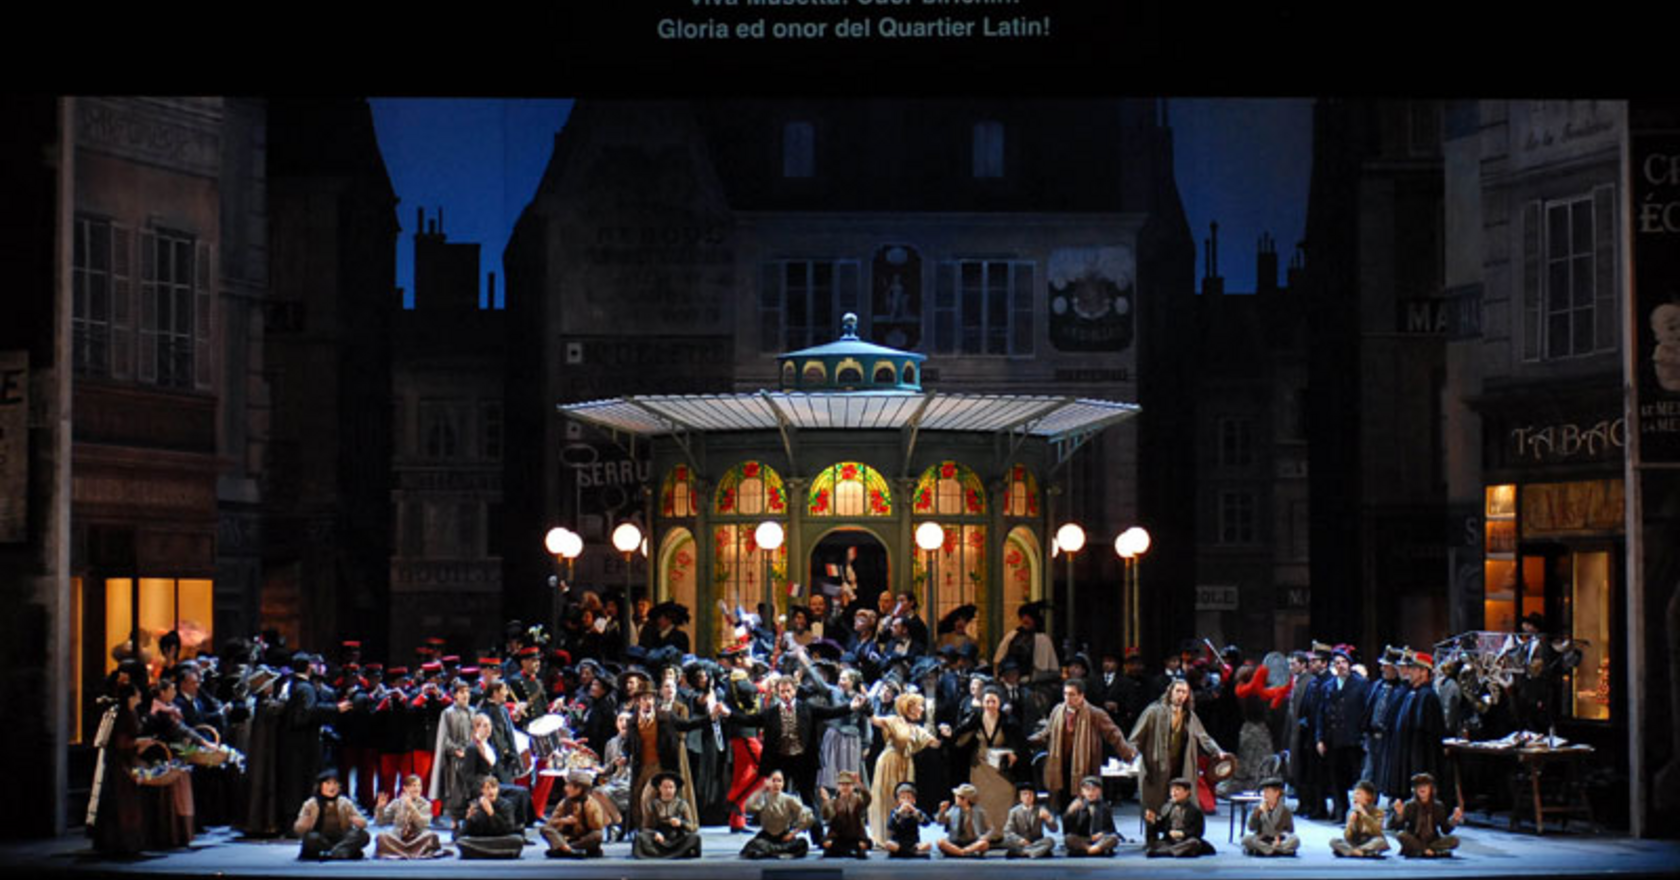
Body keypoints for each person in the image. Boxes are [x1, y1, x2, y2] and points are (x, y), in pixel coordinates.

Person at [1030, 679, 1138, 811]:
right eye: (1065, 694)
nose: (1068, 698)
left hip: (1084, 765)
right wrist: (1029, 741)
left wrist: (1127, 753)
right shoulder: (1058, 711)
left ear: (1081, 695)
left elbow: (1113, 734)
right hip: (1061, 764)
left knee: (1083, 805)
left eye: (1072, 694)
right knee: (1063, 805)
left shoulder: (1095, 713)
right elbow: (1048, 731)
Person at [1128, 678, 1228, 816]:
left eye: (1184, 692)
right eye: (1178, 691)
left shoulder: (1189, 716)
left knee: (1181, 804)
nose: (1181, 695)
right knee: (1156, 804)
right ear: (1170, 692)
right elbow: (1137, 737)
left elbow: (1204, 738)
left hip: (1180, 765)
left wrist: (1217, 751)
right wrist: (1130, 752)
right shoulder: (1153, 712)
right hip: (1157, 765)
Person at [867, 692, 943, 846]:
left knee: (904, 797)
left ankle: (902, 837)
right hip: (889, 762)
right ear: (911, 708)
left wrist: (944, 733)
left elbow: (935, 743)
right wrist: (867, 708)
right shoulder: (894, 721)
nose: (922, 709)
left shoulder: (917, 729)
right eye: (919, 706)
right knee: (887, 797)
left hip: (906, 763)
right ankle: (884, 836)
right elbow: (875, 720)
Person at [950, 685, 1023, 832]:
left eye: (993, 701)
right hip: (980, 764)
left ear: (999, 703)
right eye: (987, 701)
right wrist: (952, 737)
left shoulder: (1008, 721)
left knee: (1004, 794)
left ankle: (1002, 831)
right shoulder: (975, 718)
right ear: (982, 703)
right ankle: (982, 831)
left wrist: (1013, 752)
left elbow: (1017, 743)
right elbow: (961, 737)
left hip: (1000, 765)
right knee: (981, 798)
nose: (990, 705)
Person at [87, 683, 147, 855]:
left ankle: (127, 842)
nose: (140, 696)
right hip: (120, 766)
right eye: (137, 694)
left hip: (126, 761)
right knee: (121, 805)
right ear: (130, 697)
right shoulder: (122, 715)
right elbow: (121, 742)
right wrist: (138, 742)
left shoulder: (131, 713)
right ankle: (120, 843)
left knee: (126, 805)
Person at [1316, 648, 1369, 821]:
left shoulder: (1360, 684)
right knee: (1336, 778)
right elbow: (1321, 714)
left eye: (1344, 662)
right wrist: (1320, 738)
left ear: (1349, 664)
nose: (1341, 666)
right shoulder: (1328, 686)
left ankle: (1359, 812)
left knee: (1355, 777)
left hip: (1353, 740)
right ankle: (1340, 810)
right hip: (1333, 739)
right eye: (1337, 663)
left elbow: (1366, 711)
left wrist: (1363, 735)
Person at [294, 769, 370, 861]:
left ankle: (336, 851)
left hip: (342, 838)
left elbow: (363, 822)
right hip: (321, 838)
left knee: (363, 835)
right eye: (328, 783)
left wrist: (359, 822)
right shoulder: (311, 803)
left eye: (335, 783)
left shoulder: (345, 802)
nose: (332, 787)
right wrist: (303, 824)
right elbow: (298, 829)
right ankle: (338, 851)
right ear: (320, 786)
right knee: (310, 838)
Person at [428, 680, 475, 825]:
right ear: (455, 695)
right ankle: (454, 822)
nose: (465, 695)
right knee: (455, 791)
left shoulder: (473, 711)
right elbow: (444, 738)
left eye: (467, 692)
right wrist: (455, 750)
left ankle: (469, 820)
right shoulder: (448, 713)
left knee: (470, 789)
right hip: (454, 758)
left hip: (470, 755)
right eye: (461, 692)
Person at [740, 769, 814, 859]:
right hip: (767, 837)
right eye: (773, 781)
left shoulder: (789, 799)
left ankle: (774, 852)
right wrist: (761, 788)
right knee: (754, 845)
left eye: (779, 781)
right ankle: (777, 852)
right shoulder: (764, 798)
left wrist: (793, 833)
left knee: (802, 843)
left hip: (784, 837)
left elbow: (807, 814)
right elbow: (749, 807)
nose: (776, 784)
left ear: (783, 783)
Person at [1388, 772, 1462, 858]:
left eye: (1425, 786)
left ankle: (1423, 850)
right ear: (1414, 790)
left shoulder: (1438, 806)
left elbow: (1445, 830)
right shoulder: (1409, 805)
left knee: (1454, 840)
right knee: (1401, 835)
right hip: (1415, 839)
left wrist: (1454, 819)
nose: (1422, 788)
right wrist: (1399, 814)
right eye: (1418, 786)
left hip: (1433, 840)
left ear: (1431, 789)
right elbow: (1394, 827)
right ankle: (1427, 850)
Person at [373, 774, 447, 859]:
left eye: (419, 785)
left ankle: (401, 853)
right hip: (398, 839)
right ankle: (412, 853)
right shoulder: (396, 803)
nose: (417, 789)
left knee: (432, 836)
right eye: (413, 786)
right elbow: (380, 822)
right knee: (381, 836)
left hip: (417, 839)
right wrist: (380, 808)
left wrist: (411, 807)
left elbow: (423, 824)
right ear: (405, 788)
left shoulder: (426, 804)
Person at [634, 770, 702, 859]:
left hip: (676, 839)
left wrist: (681, 823)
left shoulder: (683, 804)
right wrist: (654, 834)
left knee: (694, 838)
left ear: (675, 789)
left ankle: (679, 852)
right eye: (665, 787)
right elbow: (645, 827)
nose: (668, 790)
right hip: (659, 839)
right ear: (659, 788)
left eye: (671, 787)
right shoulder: (653, 805)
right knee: (640, 837)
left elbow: (693, 827)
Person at [454, 774, 524, 859]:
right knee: (462, 841)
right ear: (482, 791)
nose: (491, 791)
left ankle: (481, 852)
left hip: (500, 840)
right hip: (482, 840)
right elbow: (464, 834)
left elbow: (507, 830)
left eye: (493, 787)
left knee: (517, 840)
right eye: (487, 788)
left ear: (498, 789)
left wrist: (491, 813)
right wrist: (468, 820)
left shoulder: (506, 805)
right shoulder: (476, 805)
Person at [542, 769, 607, 858]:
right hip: (567, 837)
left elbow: (597, 826)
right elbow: (551, 822)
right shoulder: (564, 803)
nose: (566, 789)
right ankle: (567, 848)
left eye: (569, 786)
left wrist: (581, 819)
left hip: (583, 838)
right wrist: (563, 821)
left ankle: (565, 849)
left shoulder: (591, 804)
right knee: (546, 829)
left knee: (597, 835)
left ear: (579, 789)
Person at [1145, 777, 1215, 857]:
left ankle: (1165, 852)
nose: (1173, 793)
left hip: (1185, 840)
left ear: (1187, 792)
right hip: (1170, 841)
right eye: (1172, 790)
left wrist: (1182, 834)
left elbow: (1198, 832)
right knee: (1157, 842)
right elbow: (1162, 827)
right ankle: (1173, 851)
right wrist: (1153, 821)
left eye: (1177, 790)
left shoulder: (1194, 811)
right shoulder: (1167, 807)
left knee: (1193, 843)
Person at [818, 769, 871, 858]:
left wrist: (859, 784)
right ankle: (846, 851)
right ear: (838, 787)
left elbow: (867, 799)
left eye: (848, 784)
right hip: (838, 837)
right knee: (826, 843)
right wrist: (826, 801)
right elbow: (828, 816)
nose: (845, 787)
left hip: (855, 836)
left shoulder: (857, 800)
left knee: (864, 844)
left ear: (853, 786)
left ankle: (846, 851)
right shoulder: (833, 801)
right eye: (842, 784)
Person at [1063, 775, 1121, 857]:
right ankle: (1092, 849)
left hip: (1099, 840)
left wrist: (1102, 833)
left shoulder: (1104, 807)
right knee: (1069, 838)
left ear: (1099, 791)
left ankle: (1092, 849)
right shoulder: (1077, 805)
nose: (1091, 792)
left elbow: (1111, 829)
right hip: (1083, 839)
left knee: (1113, 838)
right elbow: (1067, 830)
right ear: (1082, 792)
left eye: (1094, 789)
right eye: (1087, 790)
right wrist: (1069, 812)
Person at [1331, 779, 1391, 858]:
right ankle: (1362, 853)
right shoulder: (1351, 812)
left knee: (1380, 842)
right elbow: (1347, 837)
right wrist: (1350, 823)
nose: (1355, 797)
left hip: (1370, 841)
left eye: (1358, 794)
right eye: (1354, 794)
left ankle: (1352, 851)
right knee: (1333, 841)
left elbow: (1377, 832)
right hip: (1355, 842)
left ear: (1369, 796)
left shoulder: (1378, 812)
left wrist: (1364, 814)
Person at [1242, 776, 1299, 856]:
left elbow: (1290, 830)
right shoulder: (1259, 808)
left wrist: (1278, 838)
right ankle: (1278, 850)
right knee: (1246, 840)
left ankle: (1266, 850)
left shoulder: (1285, 810)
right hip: (1262, 838)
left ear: (1277, 793)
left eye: (1267, 792)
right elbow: (1251, 828)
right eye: (1264, 792)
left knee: (1295, 840)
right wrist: (1257, 814)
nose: (1265, 795)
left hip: (1279, 838)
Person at [999, 781, 1057, 858]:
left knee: (1050, 841)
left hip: (1036, 842)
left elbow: (1054, 830)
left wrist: (1048, 818)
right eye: (1025, 794)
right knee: (1007, 841)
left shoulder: (1040, 810)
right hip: (1020, 843)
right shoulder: (1014, 812)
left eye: (1030, 794)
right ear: (1020, 797)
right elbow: (1008, 831)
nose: (1028, 796)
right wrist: (1020, 840)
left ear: (1034, 796)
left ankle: (1025, 852)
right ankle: (1034, 852)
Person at [934, 782, 990, 858]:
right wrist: (942, 811)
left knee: (984, 844)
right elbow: (940, 822)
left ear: (965, 799)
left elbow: (990, 829)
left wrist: (985, 836)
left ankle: (961, 852)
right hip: (954, 841)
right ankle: (962, 852)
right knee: (940, 842)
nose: (955, 798)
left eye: (957, 796)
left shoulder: (978, 811)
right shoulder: (953, 810)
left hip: (972, 842)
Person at [881, 781, 933, 858]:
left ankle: (904, 853)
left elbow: (927, 823)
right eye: (903, 798)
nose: (906, 800)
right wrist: (899, 813)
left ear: (914, 800)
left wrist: (915, 812)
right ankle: (912, 854)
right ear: (898, 801)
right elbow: (890, 826)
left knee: (928, 845)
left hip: (913, 843)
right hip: (898, 843)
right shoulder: (895, 812)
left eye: (908, 798)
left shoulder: (916, 812)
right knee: (888, 844)